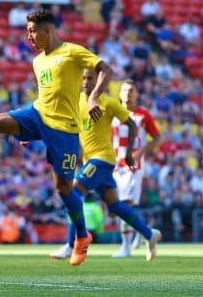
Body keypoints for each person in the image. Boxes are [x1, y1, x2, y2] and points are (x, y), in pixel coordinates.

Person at [0, 9, 113, 266]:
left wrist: (93, 97)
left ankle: (82, 237)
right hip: (38, 114)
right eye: (27, 31)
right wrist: (25, 129)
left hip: (65, 129)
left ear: (48, 31)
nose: (28, 36)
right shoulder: (37, 61)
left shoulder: (72, 51)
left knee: (64, 190)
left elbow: (105, 68)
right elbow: (45, 97)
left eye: (32, 31)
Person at [50, 70, 161, 262]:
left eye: (90, 78)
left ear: (99, 81)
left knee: (72, 193)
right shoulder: (77, 102)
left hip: (103, 159)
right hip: (93, 161)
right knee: (115, 205)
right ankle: (150, 235)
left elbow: (133, 126)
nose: (85, 82)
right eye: (83, 78)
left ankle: (71, 244)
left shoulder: (108, 103)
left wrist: (128, 153)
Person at [111, 80, 161, 257]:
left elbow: (157, 138)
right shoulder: (113, 113)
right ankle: (143, 231)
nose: (127, 93)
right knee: (117, 205)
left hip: (134, 165)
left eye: (131, 90)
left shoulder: (143, 115)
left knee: (124, 203)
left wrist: (141, 152)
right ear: (119, 93)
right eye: (124, 90)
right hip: (116, 165)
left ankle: (126, 247)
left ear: (136, 94)